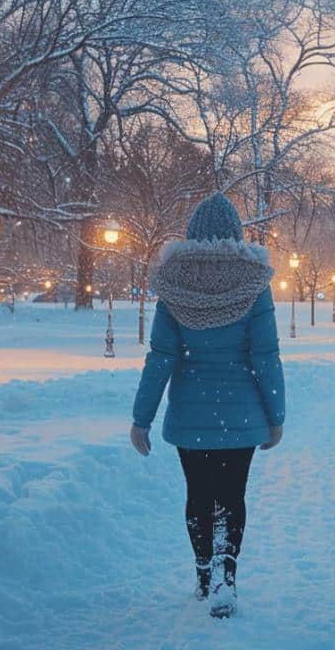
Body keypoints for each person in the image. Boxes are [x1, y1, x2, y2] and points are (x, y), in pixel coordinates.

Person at [129, 192, 286, 619]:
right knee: (231, 497)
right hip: (241, 416)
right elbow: (265, 355)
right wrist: (277, 416)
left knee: (198, 495)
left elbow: (160, 356)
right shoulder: (254, 281)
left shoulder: (173, 281)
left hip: (191, 416)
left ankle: (203, 574)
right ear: (235, 235)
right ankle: (225, 577)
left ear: (192, 234)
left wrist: (141, 418)